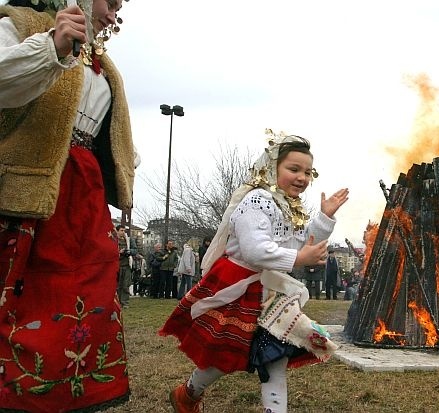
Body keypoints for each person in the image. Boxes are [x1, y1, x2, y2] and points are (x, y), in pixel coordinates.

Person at [0, 0, 134, 410]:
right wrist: (51, 48)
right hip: (27, 193)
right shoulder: (20, 24)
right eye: (109, 2)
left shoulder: (104, 65)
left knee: (85, 298)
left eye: (119, 7)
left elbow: (116, 137)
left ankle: (69, 395)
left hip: (84, 195)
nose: (113, 14)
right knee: (25, 299)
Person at [160, 131, 349, 413]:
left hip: (269, 290)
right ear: (273, 168)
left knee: (275, 357)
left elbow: (300, 242)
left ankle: (190, 394)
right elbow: (255, 250)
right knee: (227, 355)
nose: (302, 177)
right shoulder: (257, 200)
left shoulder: (288, 206)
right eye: (293, 169)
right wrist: (299, 257)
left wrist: (324, 218)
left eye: (308, 172)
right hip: (240, 285)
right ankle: (188, 393)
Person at [116, 224, 137, 307]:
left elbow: (135, 250)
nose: (123, 232)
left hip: (126, 265)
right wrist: (119, 252)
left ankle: (125, 302)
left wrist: (129, 251)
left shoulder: (128, 240)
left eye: (124, 231)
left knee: (126, 285)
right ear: (117, 231)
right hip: (117, 265)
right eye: (121, 230)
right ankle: (117, 302)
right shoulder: (114, 239)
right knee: (117, 285)